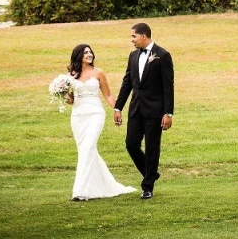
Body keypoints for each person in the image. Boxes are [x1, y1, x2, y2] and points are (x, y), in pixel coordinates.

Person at [67, 43, 136, 201]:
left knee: (88, 146)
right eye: (85, 52)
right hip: (78, 116)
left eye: (90, 52)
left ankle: (80, 191)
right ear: (78, 56)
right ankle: (104, 185)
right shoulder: (71, 75)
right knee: (87, 150)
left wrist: (116, 110)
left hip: (95, 114)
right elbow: (71, 100)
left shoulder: (98, 72)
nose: (89, 54)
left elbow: (108, 95)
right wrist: (62, 93)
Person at [113, 23, 174, 199]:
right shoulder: (132, 56)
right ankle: (151, 173)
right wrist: (118, 107)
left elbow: (168, 87)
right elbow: (127, 84)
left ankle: (148, 186)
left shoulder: (162, 55)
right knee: (131, 144)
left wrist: (168, 113)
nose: (132, 40)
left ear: (144, 36)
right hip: (136, 109)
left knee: (152, 147)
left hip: (155, 111)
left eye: (134, 36)